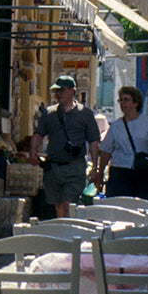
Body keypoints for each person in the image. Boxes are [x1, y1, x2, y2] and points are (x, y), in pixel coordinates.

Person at [29, 74, 100, 217]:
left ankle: (67, 233)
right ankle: (62, 233)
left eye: (62, 90)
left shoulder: (85, 114)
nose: (58, 94)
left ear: (72, 91)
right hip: (53, 168)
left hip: (75, 167)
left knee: (68, 205)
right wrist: (32, 151)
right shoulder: (49, 113)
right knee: (59, 207)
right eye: (56, 91)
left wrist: (95, 167)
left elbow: (93, 141)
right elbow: (38, 134)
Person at [92, 86, 148, 200]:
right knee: (119, 207)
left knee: (143, 207)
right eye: (121, 100)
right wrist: (100, 176)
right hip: (120, 172)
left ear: (136, 103)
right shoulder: (116, 126)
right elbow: (106, 152)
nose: (123, 103)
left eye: (126, 99)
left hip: (143, 173)